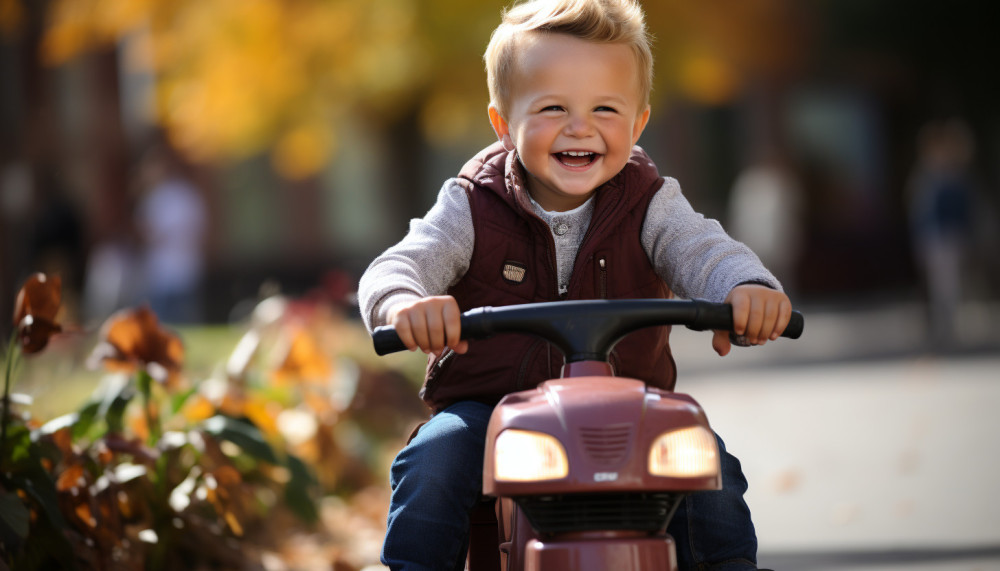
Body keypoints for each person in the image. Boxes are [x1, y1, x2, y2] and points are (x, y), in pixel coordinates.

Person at [358, 0, 793, 569]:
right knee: (436, 459)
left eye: (605, 109)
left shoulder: (650, 203)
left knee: (705, 465)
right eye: (553, 107)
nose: (580, 127)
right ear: (502, 123)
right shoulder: (471, 203)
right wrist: (403, 304)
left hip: (630, 410)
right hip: (491, 411)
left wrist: (746, 288)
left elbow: (705, 250)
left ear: (638, 123)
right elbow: (398, 266)